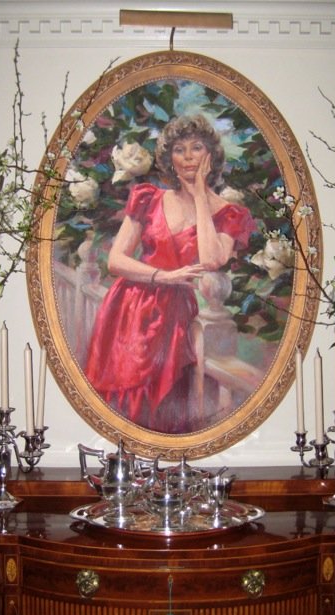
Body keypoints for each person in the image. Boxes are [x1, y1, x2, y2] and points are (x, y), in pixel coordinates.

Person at [85, 114, 255, 433]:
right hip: (127, 309)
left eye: (196, 147)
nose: (188, 157)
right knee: (123, 403)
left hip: (174, 316)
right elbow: (116, 260)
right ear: (170, 159)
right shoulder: (149, 198)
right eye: (179, 149)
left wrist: (201, 195)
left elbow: (211, 260)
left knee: (163, 407)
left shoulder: (230, 214)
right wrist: (164, 276)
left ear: (210, 155)